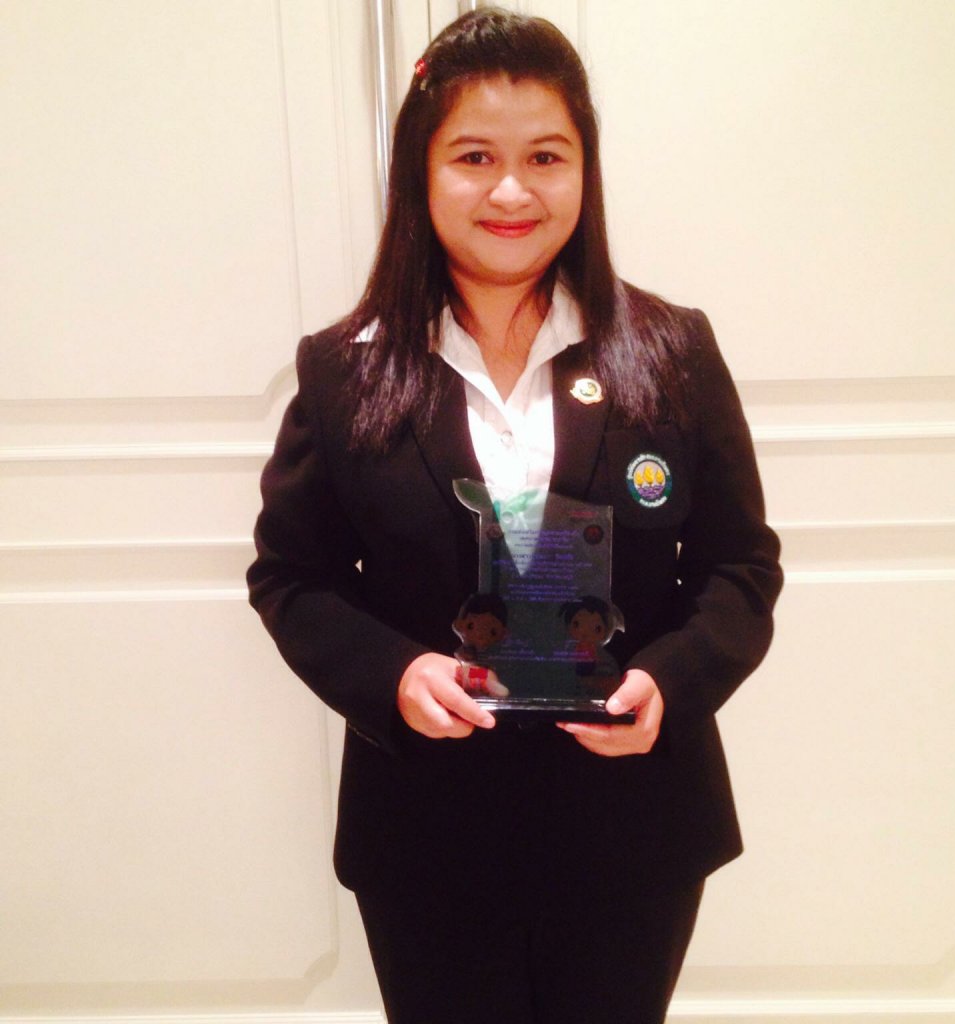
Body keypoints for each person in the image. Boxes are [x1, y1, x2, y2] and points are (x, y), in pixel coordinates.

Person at [247, 8, 783, 1023]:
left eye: (544, 155)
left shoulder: (671, 350)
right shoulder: (345, 370)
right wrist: (393, 674)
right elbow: (291, 579)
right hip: (428, 831)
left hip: (631, 829)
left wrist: (668, 684)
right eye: (473, 157)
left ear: (584, 168)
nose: (510, 191)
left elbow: (740, 568)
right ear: (420, 171)